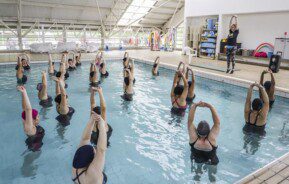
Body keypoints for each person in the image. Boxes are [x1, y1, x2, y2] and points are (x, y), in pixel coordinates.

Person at [72, 111, 107, 184]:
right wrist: (102, 126)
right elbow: (101, 151)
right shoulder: (92, 174)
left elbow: (85, 139)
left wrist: (92, 120)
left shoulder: (76, 167)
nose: (95, 150)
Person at [17, 86, 45, 152]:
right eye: (37, 117)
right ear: (31, 119)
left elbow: (25, 108)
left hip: (35, 145)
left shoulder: (31, 125)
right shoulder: (29, 129)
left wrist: (23, 94)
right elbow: (28, 109)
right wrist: (25, 92)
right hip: (34, 148)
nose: (39, 118)